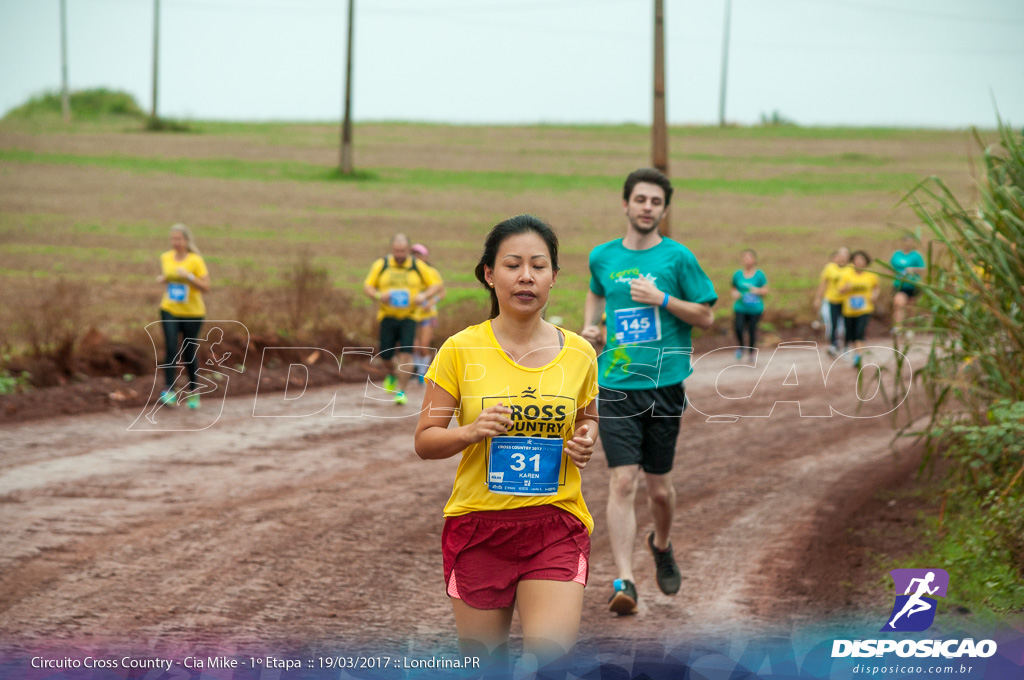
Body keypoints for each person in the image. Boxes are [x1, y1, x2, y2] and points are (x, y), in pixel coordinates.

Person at [414, 215, 599, 673]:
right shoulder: (460, 349)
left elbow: (587, 420)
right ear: (488, 274)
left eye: (539, 266)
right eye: (513, 265)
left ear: (554, 278)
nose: (526, 276)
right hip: (479, 528)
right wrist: (470, 431)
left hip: (555, 522)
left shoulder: (579, 353)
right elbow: (425, 440)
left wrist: (586, 440)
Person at [581, 168, 717, 615]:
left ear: (663, 209)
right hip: (616, 384)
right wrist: (591, 326)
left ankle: (661, 543)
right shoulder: (602, 257)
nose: (647, 207)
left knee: (659, 490)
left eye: (655, 201)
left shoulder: (678, 259)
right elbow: (596, 293)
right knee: (622, 481)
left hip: (664, 385)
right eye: (640, 199)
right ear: (625, 204)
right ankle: (625, 580)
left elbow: (706, 316)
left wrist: (662, 300)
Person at [364, 234, 444, 405]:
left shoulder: (417, 266)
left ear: (407, 250)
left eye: (402, 251)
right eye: (396, 251)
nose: (399, 254)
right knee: (386, 355)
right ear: (392, 250)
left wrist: (424, 295)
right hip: (387, 315)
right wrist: (379, 295)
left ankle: (401, 391)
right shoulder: (382, 265)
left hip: (410, 316)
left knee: (406, 354)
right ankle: (392, 374)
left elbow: (437, 285)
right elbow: (368, 286)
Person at [155, 223, 210, 410]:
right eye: (173, 239)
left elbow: (206, 287)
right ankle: (169, 390)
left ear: (186, 241)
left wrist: (189, 277)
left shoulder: (195, 260)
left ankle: (193, 391)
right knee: (171, 347)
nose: (175, 242)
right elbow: (168, 278)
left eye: (179, 239)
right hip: (169, 308)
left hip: (193, 313)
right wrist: (163, 279)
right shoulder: (165, 257)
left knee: (188, 352)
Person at [410, 243, 446, 382]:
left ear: (425, 257)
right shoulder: (410, 273)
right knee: (413, 345)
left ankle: (422, 372)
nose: (416, 258)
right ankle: (419, 369)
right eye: (414, 255)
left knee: (424, 345)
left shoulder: (432, 273)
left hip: (427, 315)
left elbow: (442, 292)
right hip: (412, 314)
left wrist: (432, 302)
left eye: (419, 254)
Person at [838, 250, 880, 368]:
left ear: (866, 262)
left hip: (865, 309)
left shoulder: (871, 275)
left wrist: (874, 295)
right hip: (849, 310)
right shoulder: (847, 274)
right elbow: (839, 290)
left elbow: (876, 287)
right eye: (857, 260)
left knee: (859, 332)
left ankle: (858, 356)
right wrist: (845, 288)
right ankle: (855, 352)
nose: (859, 262)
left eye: (862, 260)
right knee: (850, 334)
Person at [730, 249, 768, 361]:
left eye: (749, 257)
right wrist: (734, 293)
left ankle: (751, 352)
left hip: (755, 309)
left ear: (754, 259)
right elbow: (733, 287)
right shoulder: (737, 274)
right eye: (745, 258)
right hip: (740, 307)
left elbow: (765, 290)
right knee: (738, 328)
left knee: (752, 330)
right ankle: (741, 348)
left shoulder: (760, 275)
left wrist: (758, 291)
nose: (747, 260)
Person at [813, 247, 850, 356]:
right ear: (836, 256)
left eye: (845, 254)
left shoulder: (851, 268)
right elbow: (823, 284)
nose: (843, 257)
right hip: (832, 299)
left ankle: (846, 345)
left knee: (846, 324)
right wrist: (818, 298)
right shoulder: (830, 268)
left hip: (847, 301)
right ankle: (834, 344)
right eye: (841, 254)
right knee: (833, 322)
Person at [890, 235, 925, 333]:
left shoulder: (917, 255)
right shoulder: (896, 255)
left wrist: (913, 269)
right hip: (900, 285)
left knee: (911, 308)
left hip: (913, 285)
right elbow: (891, 268)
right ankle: (898, 326)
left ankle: (910, 328)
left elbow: (923, 269)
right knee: (898, 304)